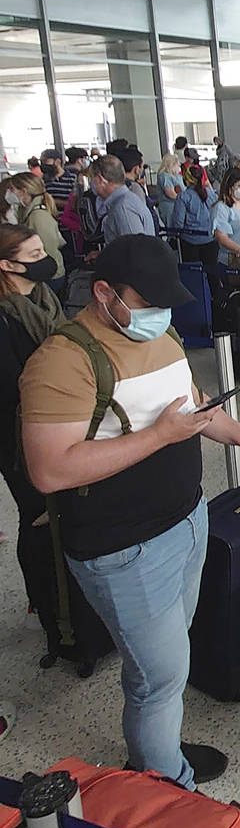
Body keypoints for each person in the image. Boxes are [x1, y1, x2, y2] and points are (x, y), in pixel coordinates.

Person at [20, 233, 240, 791]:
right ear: (103, 295)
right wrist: (159, 437)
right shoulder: (63, 362)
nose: (162, 312)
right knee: (158, 676)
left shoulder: (161, 333)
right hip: (123, 548)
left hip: (187, 522)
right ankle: (167, 786)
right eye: (147, 301)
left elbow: (191, 408)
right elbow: (50, 470)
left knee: (168, 660)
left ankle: (158, 744)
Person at [0, 225, 65, 631]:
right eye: (35, 252)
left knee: (59, 511)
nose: (46, 257)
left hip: (57, 418)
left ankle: (64, 593)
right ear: (8, 264)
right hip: (17, 433)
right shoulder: (6, 319)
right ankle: (43, 600)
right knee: (35, 513)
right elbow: (10, 386)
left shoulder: (43, 298)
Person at [7, 174, 66, 279]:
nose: (9, 193)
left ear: (23, 191)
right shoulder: (26, 211)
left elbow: (49, 250)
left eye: (12, 189)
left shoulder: (38, 216)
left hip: (49, 275)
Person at [170, 167, 219, 266]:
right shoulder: (211, 193)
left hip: (190, 242)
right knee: (213, 275)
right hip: (211, 240)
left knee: (194, 276)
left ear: (186, 180)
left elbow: (178, 223)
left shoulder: (183, 197)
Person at [155, 154, 185, 230]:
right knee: (172, 229)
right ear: (172, 164)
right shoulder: (164, 176)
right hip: (169, 207)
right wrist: (183, 200)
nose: (179, 166)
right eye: (177, 164)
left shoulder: (177, 176)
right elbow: (170, 194)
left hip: (179, 205)